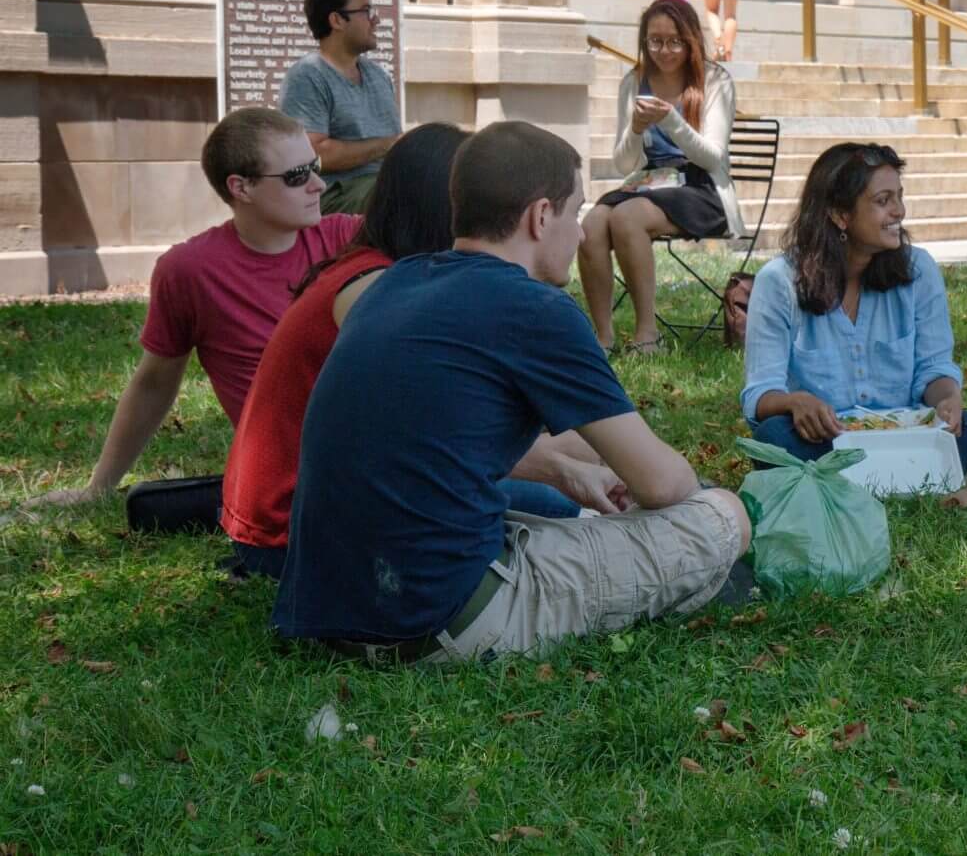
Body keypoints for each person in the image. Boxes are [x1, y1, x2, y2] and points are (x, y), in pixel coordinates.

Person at [273, 121, 749, 662]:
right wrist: (694, 492)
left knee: (581, 518)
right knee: (722, 514)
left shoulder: (393, 284)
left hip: (333, 614)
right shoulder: (536, 308)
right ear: (540, 216)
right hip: (440, 621)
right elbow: (662, 484)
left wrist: (571, 471)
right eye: (576, 212)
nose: (582, 234)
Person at [221, 124, 625, 579]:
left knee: (586, 483)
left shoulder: (391, 276)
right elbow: (431, 442)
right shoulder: (379, 292)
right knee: (566, 509)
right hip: (293, 528)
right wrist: (561, 469)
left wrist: (614, 452)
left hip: (321, 506)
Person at [20, 108, 358, 511]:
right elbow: (155, 382)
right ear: (241, 187)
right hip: (296, 475)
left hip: (371, 444)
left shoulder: (348, 238)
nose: (318, 185)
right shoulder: (190, 271)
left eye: (314, 167)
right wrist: (99, 487)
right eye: (297, 176)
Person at [740, 142, 967, 475]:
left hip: (907, 433)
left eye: (899, 196)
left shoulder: (919, 270)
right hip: (827, 438)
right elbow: (760, 393)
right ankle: (900, 473)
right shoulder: (779, 281)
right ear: (840, 215)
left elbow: (934, 367)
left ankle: (859, 475)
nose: (899, 211)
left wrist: (947, 399)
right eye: (883, 201)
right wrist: (796, 402)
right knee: (773, 439)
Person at [577, 0, 741, 352]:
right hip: (650, 183)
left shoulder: (715, 81)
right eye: (655, 41)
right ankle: (601, 338)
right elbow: (623, 165)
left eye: (674, 41)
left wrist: (672, 120)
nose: (664, 50)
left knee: (626, 217)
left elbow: (713, 158)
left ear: (691, 40)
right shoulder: (634, 82)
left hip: (701, 186)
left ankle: (648, 335)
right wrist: (635, 129)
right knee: (590, 227)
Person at [279, 0, 401, 216]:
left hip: (384, 186)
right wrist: (390, 145)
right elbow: (313, 155)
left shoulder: (378, 75)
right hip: (333, 195)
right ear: (336, 20)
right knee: (407, 196)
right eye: (366, 11)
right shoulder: (308, 76)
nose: (375, 20)